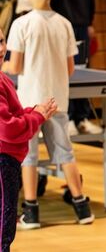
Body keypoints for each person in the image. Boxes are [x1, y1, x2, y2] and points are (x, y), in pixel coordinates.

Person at [6, 0, 95, 229]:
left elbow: (15, 67)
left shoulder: (21, 24)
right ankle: (82, 207)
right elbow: (70, 68)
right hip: (57, 101)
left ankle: (31, 212)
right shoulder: (65, 24)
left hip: (30, 104)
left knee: (29, 156)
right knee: (66, 154)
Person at [42, 0, 103, 136]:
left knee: (81, 71)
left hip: (80, 25)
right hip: (58, 27)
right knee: (62, 72)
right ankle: (64, 118)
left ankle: (82, 118)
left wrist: (90, 22)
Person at [0, 26, 57, 250]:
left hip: (8, 161)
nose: (1, 47)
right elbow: (8, 129)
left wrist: (34, 112)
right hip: (3, 161)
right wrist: (36, 117)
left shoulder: (3, 79)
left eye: (2, 40)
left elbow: (12, 115)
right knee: (5, 223)